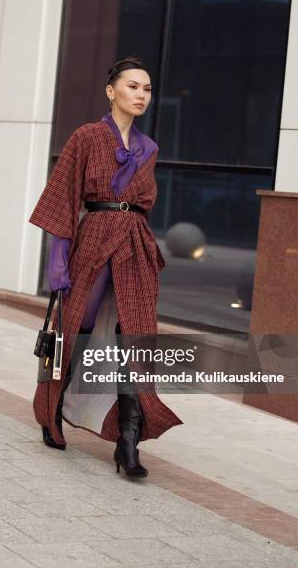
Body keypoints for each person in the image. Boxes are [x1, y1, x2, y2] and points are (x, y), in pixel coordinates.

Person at [28, 55, 183, 478]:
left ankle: (128, 442)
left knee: (134, 336)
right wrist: (57, 262)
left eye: (148, 89)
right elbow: (64, 198)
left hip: (134, 243)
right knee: (74, 326)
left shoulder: (150, 148)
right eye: (133, 86)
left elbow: (143, 203)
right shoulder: (86, 137)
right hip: (94, 236)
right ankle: (52, 409)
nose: (142, 95)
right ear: (111, 91)